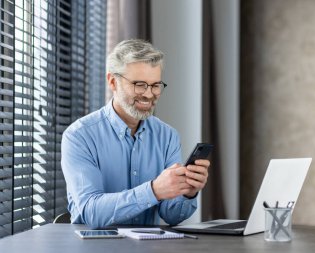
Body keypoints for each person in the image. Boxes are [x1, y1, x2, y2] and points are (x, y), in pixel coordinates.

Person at [61, 39, 210, 228]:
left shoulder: (168, 136)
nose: (149, 94)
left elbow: (171, 215)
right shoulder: (79, 136)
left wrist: (188, 191)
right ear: (113, 82)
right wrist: (154, 190)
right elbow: (91, 212)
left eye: (156, 85)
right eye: (140, 85)